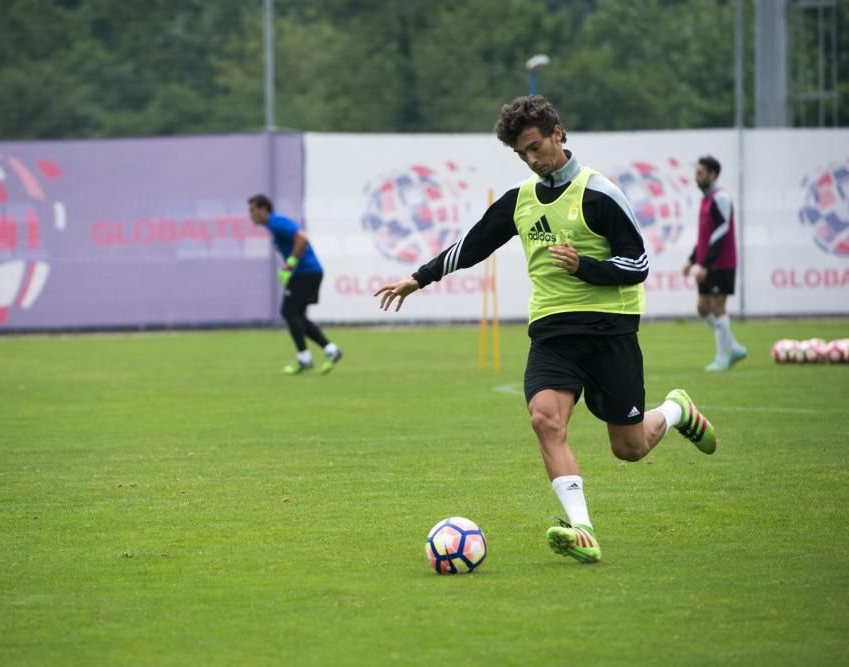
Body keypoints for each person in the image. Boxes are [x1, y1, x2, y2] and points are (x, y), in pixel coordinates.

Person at [373, 95, 717, 564]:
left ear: (558, 133)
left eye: (536, 147)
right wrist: (419, 278)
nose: (532, 160)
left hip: (609, 332)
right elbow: (472, 244)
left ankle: (676, 409)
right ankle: (583, 529)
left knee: (630, 448)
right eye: (522, 154)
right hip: (553, 333)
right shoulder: (521, 200)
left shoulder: (600, 194)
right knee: (545, 420)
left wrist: (584, 267)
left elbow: (637, 264)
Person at [248, 194, 343, 375]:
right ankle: (330, 350)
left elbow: (302, 237)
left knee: (288, 312)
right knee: (297, 316)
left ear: (263, 209)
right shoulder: (273, 225)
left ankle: (305, 358)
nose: (251, 215)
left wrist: (290, 264)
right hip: (308, 272)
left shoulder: (276, 222)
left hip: (305, 272)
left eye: (253, 210)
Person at [682, 156, 746, 372]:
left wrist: (706, 265)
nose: (696, 177)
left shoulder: (721, 198)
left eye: (701, 173)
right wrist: (692, 260)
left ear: (713, 174)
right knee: (703, 307)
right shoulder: (706, 199)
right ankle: (734, 347)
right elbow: (704, 236)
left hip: (722, 263)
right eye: (696, 172)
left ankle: (722, 358)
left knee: (718, 307)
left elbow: (721, 232)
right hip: (707, 263)